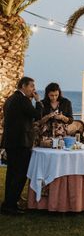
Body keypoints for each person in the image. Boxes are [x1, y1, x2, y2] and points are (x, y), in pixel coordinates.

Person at [1, 77, 43, 216]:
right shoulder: (22, 100)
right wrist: (38, 101)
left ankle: (8, 203)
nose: (34, 90)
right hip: (21, 142)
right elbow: (37, 115)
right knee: (20, 175)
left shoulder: (11, 99)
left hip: (11, 142)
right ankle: (11, 205)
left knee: (12, 174)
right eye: (32, 86)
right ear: (24, 86)